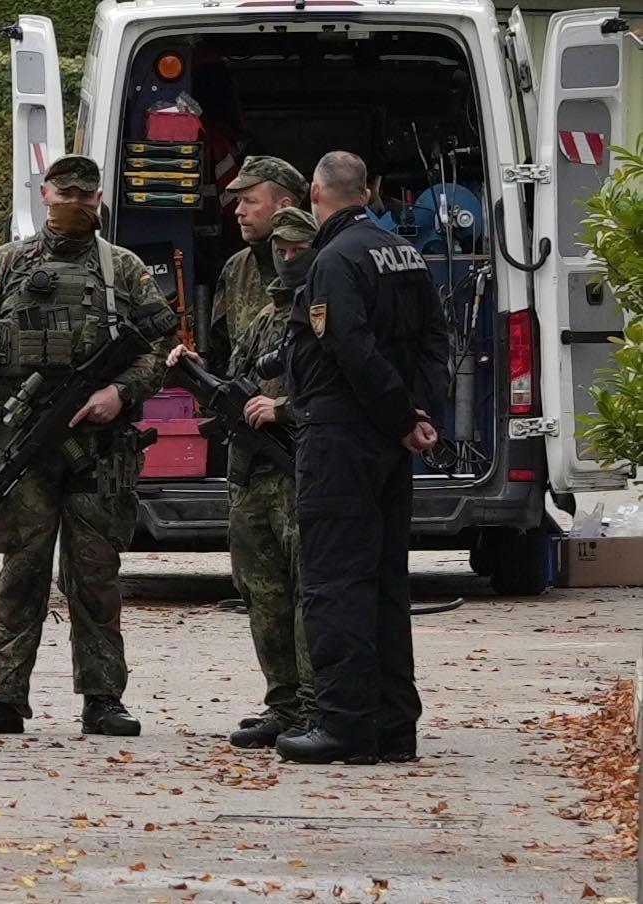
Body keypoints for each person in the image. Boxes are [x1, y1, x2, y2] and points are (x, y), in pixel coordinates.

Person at [0, 154, 177, 738]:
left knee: (95, 571)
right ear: (44, 193)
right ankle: (0, 696)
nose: (74, 200)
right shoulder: (7, 264)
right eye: (64, 190)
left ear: (98, 199)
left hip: (99, 449)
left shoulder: (122, 268)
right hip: (21, 441)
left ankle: (102, 696)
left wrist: (119, 394)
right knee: (21, 568)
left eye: (85, 192)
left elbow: (160, 345)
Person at [277, 151, 447, 766]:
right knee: (384, 582)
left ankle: (346, 726)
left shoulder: (333, 260)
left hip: (343, 438)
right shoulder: (404, 252)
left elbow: (349, 346)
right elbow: (436, 337)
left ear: (317, 194)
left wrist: (400, 416)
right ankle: (394, 726)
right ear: (369, 190)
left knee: (335, 584)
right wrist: (418, 414)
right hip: (390, 440)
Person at [172, 207, 319, 749]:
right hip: (252, 476)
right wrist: (192, 371)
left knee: (308, 594)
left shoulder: (323, 313)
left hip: (298, 471)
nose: (285, 257)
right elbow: (233, 385)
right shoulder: (261, 320)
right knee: (262, 594)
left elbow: (336, 390)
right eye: (278, 249)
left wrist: (282, 409)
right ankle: (282, 704)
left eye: (295, 248)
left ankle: (312, 706)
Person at [204, 156, 309, 377]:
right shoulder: (236, 268)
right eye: (238, 201)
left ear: (284, 207)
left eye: (250, 201)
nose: (238, 211)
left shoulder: (321, 262)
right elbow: (221, 356)